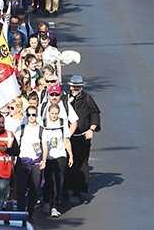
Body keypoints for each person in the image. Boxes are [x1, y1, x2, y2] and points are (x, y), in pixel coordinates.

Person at [64, 75, 101, 203]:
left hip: (82, 137)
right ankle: (65, 189)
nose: (75, 89)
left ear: (82, 87)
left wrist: (92, 129)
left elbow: (95, 114)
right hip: (68, 137)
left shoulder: (87, 99)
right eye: (73, 86)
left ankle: (78, 190)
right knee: (67, 162)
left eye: (78, 87)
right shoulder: (65, 99)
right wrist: (67, 104)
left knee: (81, 162)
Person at [41, 103, 73, 218]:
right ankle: (46, 201)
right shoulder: (43, 123)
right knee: (47, 180)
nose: (54, 116)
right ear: (48, 112)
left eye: (56, 113)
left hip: (60, 155)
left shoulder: (62, 123)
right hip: (48, 156)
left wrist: (71, 155)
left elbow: (66, 140)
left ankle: (54, 206)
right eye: (52, 113)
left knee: (57, 179)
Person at [15, 106, 45, 223]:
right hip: (22, 162)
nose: (31, 117)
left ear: (37, 115)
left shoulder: (42, 129)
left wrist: (44, 160)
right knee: (21, 189)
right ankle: (21, 214)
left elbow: (44, 146)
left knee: (35, 190)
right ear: (26, 116)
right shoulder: (21, 128)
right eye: (29, 115)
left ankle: (30, 213)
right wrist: (13, 161)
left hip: (36, 162)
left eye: (34, 115)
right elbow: (16, 145)